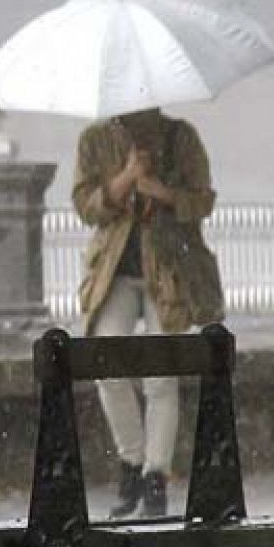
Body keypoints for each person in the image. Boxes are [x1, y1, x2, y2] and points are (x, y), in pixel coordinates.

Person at [71, 107, 224, 519]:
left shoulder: (179, 137)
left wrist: (161, 192)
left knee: (161, 375)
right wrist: (124, 179)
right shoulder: (96, 140)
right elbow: (86, 206)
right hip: (114, 273)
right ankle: (132, 463)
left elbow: (203, 201)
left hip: (170, 270)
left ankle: (156, 474)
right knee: (108, 366)